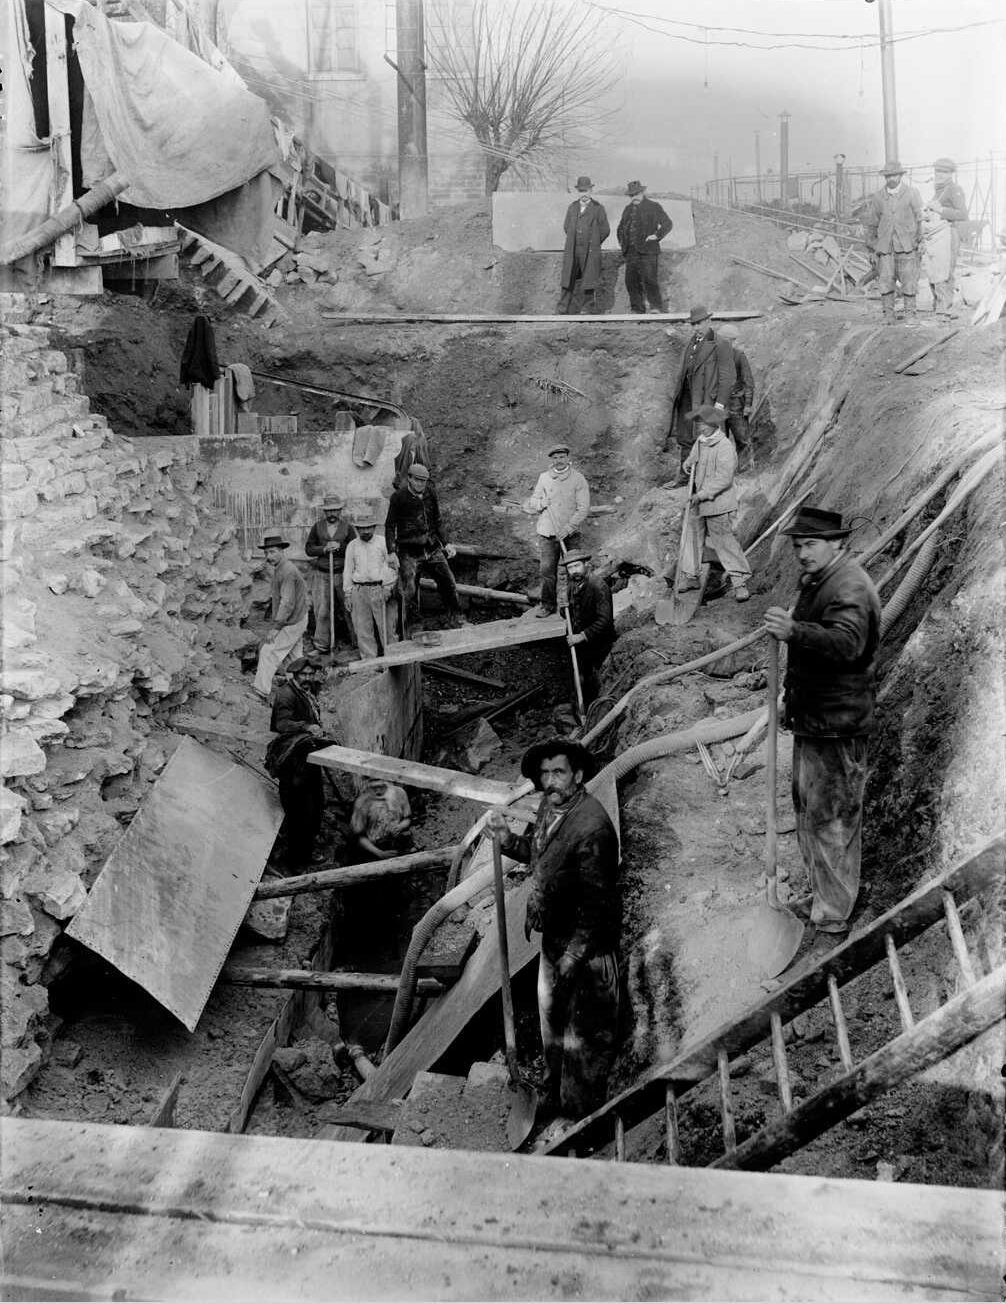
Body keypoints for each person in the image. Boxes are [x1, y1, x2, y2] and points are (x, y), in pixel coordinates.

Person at [486, 737, 621, 1120]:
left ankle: (580, 1119)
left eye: (558, 772)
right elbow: (537, 850)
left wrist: (572, 959)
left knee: (585, 1041)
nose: (550, 781)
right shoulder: (551, 806)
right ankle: (550, 1093)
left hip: (590, 956)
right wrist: (505, 839)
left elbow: (598, 906)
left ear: (577, 775)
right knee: (552, 1026)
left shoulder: (592, 828)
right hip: (555, 941)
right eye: (544, 774)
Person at [764, 507, 881, 940]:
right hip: (816, 719)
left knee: (832, 819)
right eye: (797, 545)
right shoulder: (821, 580)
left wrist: (794, 631)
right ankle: (821, 897)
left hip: (839, 724)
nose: (802, 553)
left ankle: (833, 914)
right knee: (810, 813)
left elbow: (848, 644)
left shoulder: (849, 584)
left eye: (810, 544)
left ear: (837, 543)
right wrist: (787, 697)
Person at [264, 653, 335, 868]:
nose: (307, 677)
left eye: (310, 674)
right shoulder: (286, 694)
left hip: (307, 758)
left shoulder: (306, 690)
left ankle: (308, 849)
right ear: (295, 674)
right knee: (299, 814)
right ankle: (296, 861)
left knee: (315, 806)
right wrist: (306, 726)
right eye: (303, 674)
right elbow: (281, 724)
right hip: (292, 762)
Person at [677, 406, 751, 603]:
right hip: (698, 502)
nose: (699, 427)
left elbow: (723, 479)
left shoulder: (725, 446)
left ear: (712, 425)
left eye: (702, 424)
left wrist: (701, 495)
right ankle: (691, 576)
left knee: (724, 542)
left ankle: (739, 582)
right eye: (698, 424)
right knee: (691, 537)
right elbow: (694, 458)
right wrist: (687, 463)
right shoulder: (701, 442)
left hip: (718, 503)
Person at [384, 463, 464, 635]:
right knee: (410, 590)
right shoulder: (398, 497)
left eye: (424, 481)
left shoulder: (430, 493)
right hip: (409, 551)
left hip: (432, 547)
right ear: (410, 479)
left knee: (448, 582)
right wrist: (391, 551)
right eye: (418, 480)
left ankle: (455, 619)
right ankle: (414, 626)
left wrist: (447, 542)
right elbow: (390, 526)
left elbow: (438, 520)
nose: (421, 484)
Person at [666, 306, 734, 485]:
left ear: (708, 321)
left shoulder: (720, 344)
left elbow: (727, 377)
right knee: (686, 436)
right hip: (687, 396)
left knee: (708, 437)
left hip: (707, 399)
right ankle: (685, 477)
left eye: (700, 323)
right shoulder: (691, 342)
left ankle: (709, 480)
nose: (696, 327)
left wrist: (720, 403)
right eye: (693, 324)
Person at [522, 444, 590, 618]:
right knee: (547, 572)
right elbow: (533, 501)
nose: (558, 461)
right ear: (551, 460)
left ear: (567, 458)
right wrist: (540, 503)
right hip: (547, 533)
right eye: (555, 458)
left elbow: (583, 508)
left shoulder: (578, 479)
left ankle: (575, 605)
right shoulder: (544, 478)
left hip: (571, 534)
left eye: (561, 457)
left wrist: (568, 529)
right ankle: (547, 605)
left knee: (575, 571)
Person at [861, 160, 923, 324]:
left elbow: (920, 219)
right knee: (886, 280)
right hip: (885, 246)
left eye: (894, 175)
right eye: (888, 176)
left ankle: (910, 314)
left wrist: (919, 241)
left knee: (909, 280)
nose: (891, 178)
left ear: (900, 175)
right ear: (885, 177)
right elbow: (872, 224)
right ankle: (888, 315)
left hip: (907, 245)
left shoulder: (912, 193)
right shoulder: (878, 197)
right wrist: (872, 248)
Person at [254, 532, 309, 698]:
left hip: (292, 622)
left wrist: (276, 627)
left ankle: (261, 691)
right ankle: (302, 689)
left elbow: (287, 603)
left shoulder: (287, 571)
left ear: (281, 551)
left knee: (268, 651)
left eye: (272, 552)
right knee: (295, 657)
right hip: (297, 619)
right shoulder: (281, 568)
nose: (268, 556)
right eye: (266, 553)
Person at [342, 509, 399, 660]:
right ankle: (369, 663)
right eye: (362, 528)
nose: (365, 531)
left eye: (369, 527)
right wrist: (348, 594)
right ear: (357, 529)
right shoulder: (352, 546)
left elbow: (392, 567)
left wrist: (387, 587)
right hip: (359, 590)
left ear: (374, 527)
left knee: (387, 628)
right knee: (362, 630)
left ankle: (393, 662)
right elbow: (348, 570)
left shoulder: (384, 542)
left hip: (380, 589)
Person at [561, 551, 616, 705]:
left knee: (597, 679)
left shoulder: (598, 586)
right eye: (570, 567)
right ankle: (581, 709)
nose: (574, 571)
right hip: (579, 644)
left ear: (586, 565)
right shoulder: (572, 584)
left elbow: (604, 621)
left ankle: (597, 708)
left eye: (577, 566)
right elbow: (570, 613)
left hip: (599, 644)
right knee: (579, 676)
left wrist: (582, 636)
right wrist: (563, 607)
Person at [304, 492, 353, 654]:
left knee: (349, 609)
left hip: (342, 573)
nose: (332, 514)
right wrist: (324, 549)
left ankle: (357, 643)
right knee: (322, 610)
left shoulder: (348, 528)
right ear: (324, 512)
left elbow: (355, 549)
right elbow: (309, 549)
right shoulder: (317, 527)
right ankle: (321, 645)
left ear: (340, 511)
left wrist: (339, 547)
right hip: (322, 574)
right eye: (328, 511)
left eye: (335, 510)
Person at [616, 181, 673, 314]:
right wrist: (623, 243)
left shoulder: (653, 206)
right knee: (631, 281)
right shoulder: (627, 209)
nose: (633, 197)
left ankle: (656, 307)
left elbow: (667, 223)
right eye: (631, 195)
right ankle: (637, 309)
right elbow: (620, 228)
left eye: (636, 194)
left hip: (648, 251)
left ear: (642, 193)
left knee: (650, 280)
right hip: (631, 252)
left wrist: (657, 236)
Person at [558, 176, 610, 316]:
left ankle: (587, 309)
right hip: (573, 249)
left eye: (586, 190)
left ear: (591, 190)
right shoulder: (572, 207)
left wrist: (593, 241)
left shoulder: (598, 208)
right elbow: (566, 227)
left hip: (590, 250)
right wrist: (574, 240)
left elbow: (605, 230)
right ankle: (562, 309)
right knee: (568, 277)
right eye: (581, 191)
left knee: (589, 279)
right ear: (578, 191)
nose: (584, 194)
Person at [925, 158, 969, 319]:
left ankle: (946, 308)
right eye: (937, 171)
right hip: (937, 235)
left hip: (950, 234)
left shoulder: (954, 189)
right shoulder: (939, 190)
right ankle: (939, 305)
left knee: (946, 270)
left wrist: (941, 209)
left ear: (950, 173)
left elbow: (963, 214)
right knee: (935, 269)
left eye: (943, 172)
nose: (939, 175)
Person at [717, 323, 755, 471]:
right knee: (720, 440)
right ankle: (724, 471)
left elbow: (748, 382)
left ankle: (745, 468)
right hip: (719, 404)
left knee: (742, 439)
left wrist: (748, 405)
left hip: (736, 405)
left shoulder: (739, 356)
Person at [350, 779, 413, 860]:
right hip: (373, 848)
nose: (378, 791)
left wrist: (400, 826)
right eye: (374, 788)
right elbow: (359, 837)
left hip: (397, 841)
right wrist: (379, 853)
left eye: (381, 786)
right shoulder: (362, 803)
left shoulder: (400, 793)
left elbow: (408, 818)